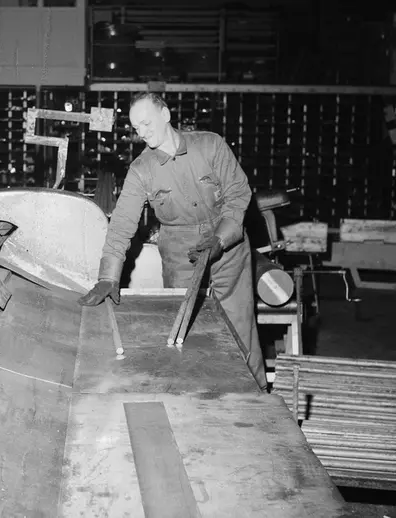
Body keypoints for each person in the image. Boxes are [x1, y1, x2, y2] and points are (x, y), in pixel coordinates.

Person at [78, 92, 267, 391]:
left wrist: (221, 238)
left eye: (146, 123)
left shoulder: (210, 145)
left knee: (239, 325)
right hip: (180, 253)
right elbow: (122, 224)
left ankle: (255, 393)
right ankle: (199, 396)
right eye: (136, 128)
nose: (142, 133)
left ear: (165, 114)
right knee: (187, 330)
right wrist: (108, 276)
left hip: (228, 246)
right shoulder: (141, 169)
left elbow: (238, 194)